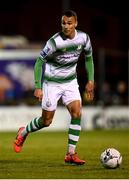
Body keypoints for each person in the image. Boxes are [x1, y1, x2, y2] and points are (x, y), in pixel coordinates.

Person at [13, 10, 94, 165]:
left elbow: (89, 58)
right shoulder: (54, 42)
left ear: (76, 23)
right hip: (52, 83)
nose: (66, 26)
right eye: (63, 23)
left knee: (77, 113)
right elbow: (38, 62)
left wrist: (90, 80)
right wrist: (38, 86)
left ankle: (70, 154)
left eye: (69, 23)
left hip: (70, 82)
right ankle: (23, 132)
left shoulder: (84, 38)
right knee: (46, 121)